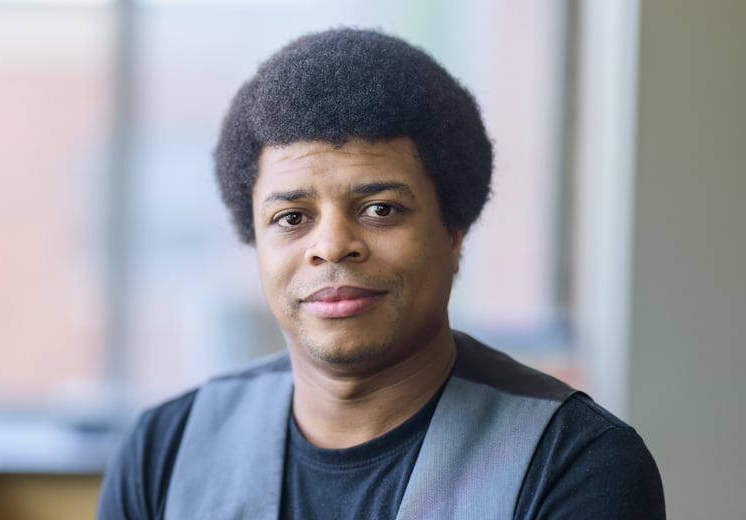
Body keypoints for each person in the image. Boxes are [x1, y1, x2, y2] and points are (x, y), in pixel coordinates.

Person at [98, 28, 665, 519]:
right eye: (291, 217)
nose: (332, 246)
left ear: (453, 232)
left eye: (380, 209)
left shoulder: (577, 464)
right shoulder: (165, 452)